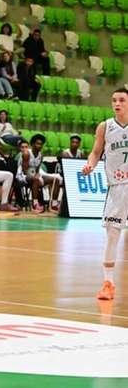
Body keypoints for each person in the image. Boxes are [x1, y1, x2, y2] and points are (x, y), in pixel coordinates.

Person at [83, 88, 128, 301]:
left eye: (122, 100)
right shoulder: (105, 126)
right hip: (117, 186)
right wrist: (90, 165)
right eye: (114, 100)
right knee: (112, 234)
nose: (117, 103)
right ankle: (108, 283)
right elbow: (96, 151)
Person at [18, 135, 63, 213]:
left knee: (56, 179)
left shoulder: (41, 155)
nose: (40, 146)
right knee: (36, 179)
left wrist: (39, 176)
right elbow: (25, 171)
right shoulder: (26, 153)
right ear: (32, 144)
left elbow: (37, 169)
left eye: (41, 144)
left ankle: (54, 204)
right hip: (22, 176)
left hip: (34, 174)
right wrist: (38, 177)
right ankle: (35, 204)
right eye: (37, 143)